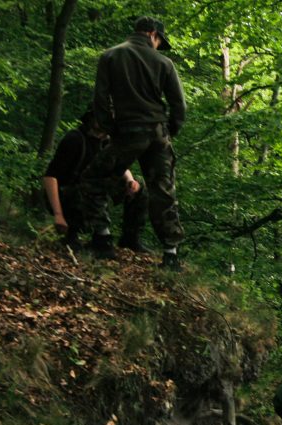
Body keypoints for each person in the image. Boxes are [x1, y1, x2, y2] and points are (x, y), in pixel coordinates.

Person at [77, 16, 187, 266]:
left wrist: (109, 128)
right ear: (152, 34)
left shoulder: (111, 56)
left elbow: (101, 99)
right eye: (160, 40)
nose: (159, 45)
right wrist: (170, 131)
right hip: (158, 132)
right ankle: (171, 254)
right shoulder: (164, 63)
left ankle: (102, 239)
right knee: (163, 190)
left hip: (126, 131)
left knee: (94, 178)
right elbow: (179, 106)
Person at [42, 107, 149, 251]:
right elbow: (51, 177)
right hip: (69, 196)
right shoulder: (75, 139)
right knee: (89, 189)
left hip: (93, 192)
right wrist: (58, 215)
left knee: (139, 184)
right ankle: (77, 235)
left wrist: (130, 181)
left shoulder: (108, 142)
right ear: (91, 117)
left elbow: (119, 167)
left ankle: (130, 238)